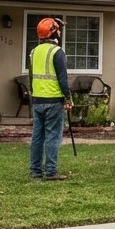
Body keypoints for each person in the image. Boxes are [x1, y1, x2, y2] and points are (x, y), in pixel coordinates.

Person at [28, 17, 72, 180]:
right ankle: (51, 171)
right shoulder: (57, 52)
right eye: (58, 29)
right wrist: (68, 98)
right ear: (54, 32)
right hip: (54, 100)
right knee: (53, 136)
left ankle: (35, 170)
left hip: (37, 100)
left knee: (37, 136)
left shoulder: (34, 52)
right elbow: (62, 78)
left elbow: (31, 77)